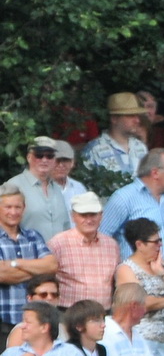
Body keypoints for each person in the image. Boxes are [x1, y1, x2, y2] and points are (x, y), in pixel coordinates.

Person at [114, 219, 164, 345]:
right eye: (155, 242)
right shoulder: (126, 269)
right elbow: (142, 303)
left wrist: (162, 273)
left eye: (160, 240)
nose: (160, 245)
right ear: (139, 244)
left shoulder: (163, 266)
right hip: (140, 338)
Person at [48, 193, 119, 312]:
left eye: (93, 215)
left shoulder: (111, 245)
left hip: (103, 312)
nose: (89, 220)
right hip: (68, 312)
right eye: (83, 215)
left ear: (101, 215)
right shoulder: (58, 243)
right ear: (73, 216)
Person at [0, 184, 57, 328]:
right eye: (8, 207)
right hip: (4, 319)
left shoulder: (33, 236)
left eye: (17, 207)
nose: (13, 212)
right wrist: (36, 270)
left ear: (24, 208)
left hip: (35, 321)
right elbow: (2, 275)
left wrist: (16, 263)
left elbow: (51, 266)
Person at [6, 136, 71, 241]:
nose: (44, 160)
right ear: (29, 157)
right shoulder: (13, 186)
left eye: (49, 156)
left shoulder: (57, 188)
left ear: (55, 160)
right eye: (39, 155)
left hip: (58, 255)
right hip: (27, 255)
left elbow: (66, 226)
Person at [82, 92, 151, 176]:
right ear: (114, 119)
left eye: (137, 116)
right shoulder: (94, 149)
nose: (137, 120)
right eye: (130, 116)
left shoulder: (141, 148)